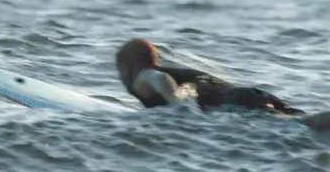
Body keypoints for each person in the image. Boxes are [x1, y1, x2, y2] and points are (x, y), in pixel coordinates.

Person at [115, 38, 330, 129]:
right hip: (246, 95)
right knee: (306, 123)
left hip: (235, 104)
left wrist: (177, 106)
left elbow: (160, 80)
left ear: (128, 67)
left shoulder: (142, 77)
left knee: (304, 126)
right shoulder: (176, 73)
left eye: (120, 70)